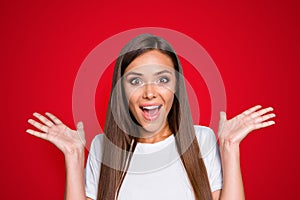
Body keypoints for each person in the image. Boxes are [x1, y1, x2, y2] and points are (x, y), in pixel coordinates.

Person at [26, 34, 275, 200]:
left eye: (162, 79)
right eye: (135, 81)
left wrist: (230, 147)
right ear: (121, 91)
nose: (149, 92)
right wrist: (73, 157)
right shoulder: (103, 147)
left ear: (176, 86)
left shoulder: (203, 140)